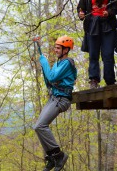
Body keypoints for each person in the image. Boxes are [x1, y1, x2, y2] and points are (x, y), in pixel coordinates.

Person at [33, 36, 77, 171]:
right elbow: (50, 81)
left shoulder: (68, 63)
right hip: (54, 97)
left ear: (66, 50)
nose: (55, 50)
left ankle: (59, 155)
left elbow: (52, 77)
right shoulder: (58, 63)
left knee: (41, 126)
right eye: (55, 47)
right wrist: (39, 49)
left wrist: (43, 61)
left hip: (62, 99)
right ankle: (52, 157)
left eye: (58, 48)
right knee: (37, 127)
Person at [77, 0, 117, 89]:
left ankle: (110, 81)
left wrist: (110, 12)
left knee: (107, 54)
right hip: (92, 26)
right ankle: (93, 80)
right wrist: (81, 13)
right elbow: (80, 8)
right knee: (93, 54)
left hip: (108, 26)